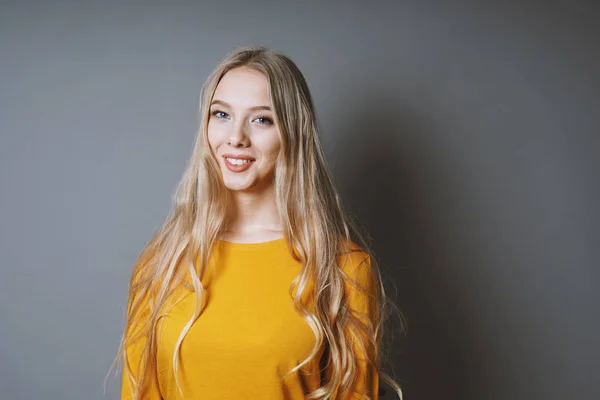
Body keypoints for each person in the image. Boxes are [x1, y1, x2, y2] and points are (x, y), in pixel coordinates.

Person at [111, 46, 403, 400]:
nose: (235, 137)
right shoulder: (162, 262)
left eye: (261, 119)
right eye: (221, 114)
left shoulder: (343, 268)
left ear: (292, 133)